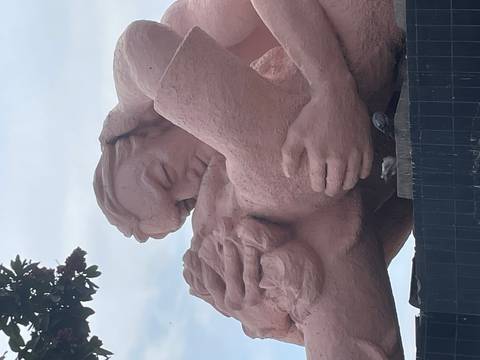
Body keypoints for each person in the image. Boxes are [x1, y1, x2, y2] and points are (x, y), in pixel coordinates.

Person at [94, 1, 409, 357]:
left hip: (367, 34)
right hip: (400, 92)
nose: (188, 185)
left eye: (164, 176)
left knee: (284, 177)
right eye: (182, 203)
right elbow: (365, 236)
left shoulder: (188, 30)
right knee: (280, 225)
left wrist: (331, 85)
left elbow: (138, 49)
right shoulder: (237, 183)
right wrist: (276, 311)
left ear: (144, 129)